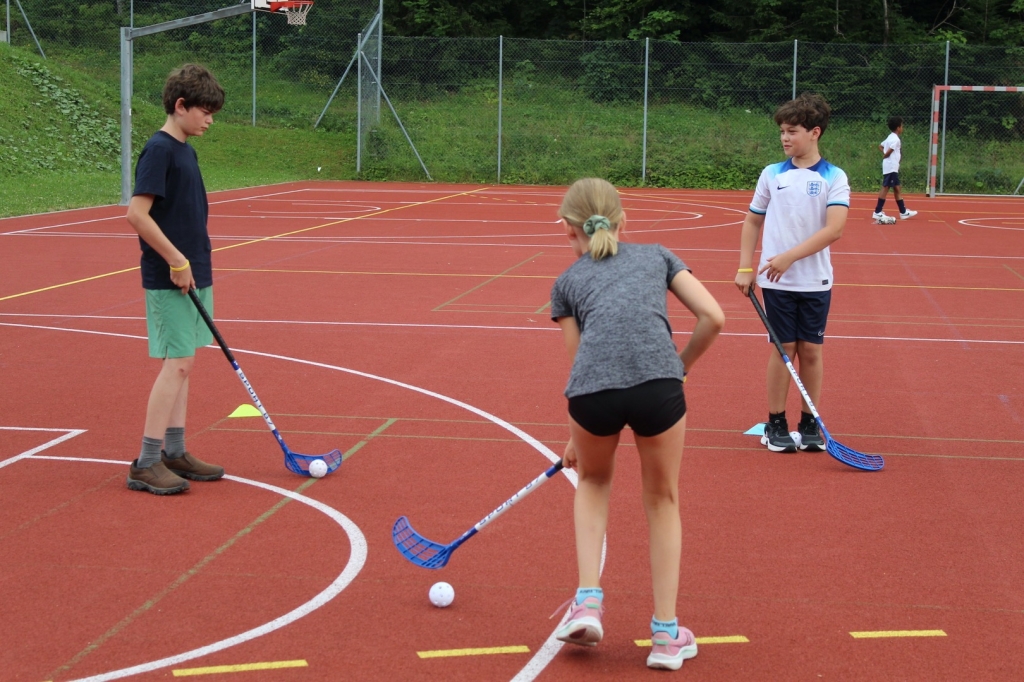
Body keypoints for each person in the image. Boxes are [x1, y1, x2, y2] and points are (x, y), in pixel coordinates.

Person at [549, 178, 724, 671]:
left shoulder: (566, 282)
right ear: (624, 222)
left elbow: (579, 364)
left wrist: (576, 436)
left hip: (593, 398)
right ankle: (666, 636)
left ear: (567, 230)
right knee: (663, 499)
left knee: (593, 481)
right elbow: (713, 316)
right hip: (658, 388)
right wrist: (679, 366)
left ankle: (587, 603)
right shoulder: (659, 255)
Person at [124, 64, 226, 495]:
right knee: (178, 362)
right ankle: (146, 461)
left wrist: (193, 263)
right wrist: (175, 260)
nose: (209, 120)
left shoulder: (186, 147)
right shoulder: (160, 149)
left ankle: (175, 451)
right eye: (204, 111)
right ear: (180, 106)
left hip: (194, 270)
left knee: (185, 363)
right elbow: (136, 214)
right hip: (171, 275)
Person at [734, 93, 849, 454]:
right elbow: (753, 220)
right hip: (775, 282)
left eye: (792, 131)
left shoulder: (834, 176)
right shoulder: (772, 174)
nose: (785, 138)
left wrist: (788, 257)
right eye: (782, 131)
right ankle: (776, 421)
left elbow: (834, 230)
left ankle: (810, 422)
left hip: (815, 280)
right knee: (783, 348)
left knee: (811, 351)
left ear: (814, 132)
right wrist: (745, 265)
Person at [872, 116, 917, 223]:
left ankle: (903, 211)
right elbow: (889, 151)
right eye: (902, 126)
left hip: (892, 167)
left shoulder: (890, 137)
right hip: (891, 167)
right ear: (898, 128)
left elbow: (880, 146)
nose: (903, 128)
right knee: (886, 187)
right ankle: (877, 211)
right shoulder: (895, 139)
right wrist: (886, 155)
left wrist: (886, 153)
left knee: (897, 188)